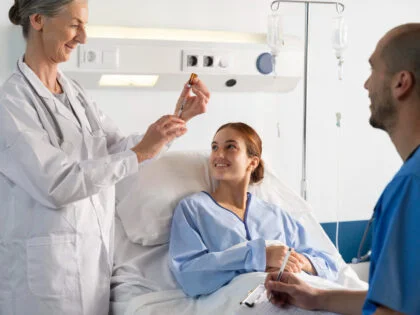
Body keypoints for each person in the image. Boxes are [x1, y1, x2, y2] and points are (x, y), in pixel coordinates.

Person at [0, 1, 210, 314]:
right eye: (74, 25)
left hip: (90, 269)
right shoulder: (11, 103)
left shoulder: (75, 93)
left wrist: (176, 120)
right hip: (44, 283)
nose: (83, 37)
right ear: (39, 20)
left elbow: (117, 150)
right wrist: (140, 152)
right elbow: (57, 183)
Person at [265, 23, 420, 315]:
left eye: (373, 70)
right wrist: (317, 297)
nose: (366, 85)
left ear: (401, 83)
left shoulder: (411, 186)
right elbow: (397, 301)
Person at [168, 122, 339, 297]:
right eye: (214, 147)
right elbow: (188, 275)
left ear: (252, 162)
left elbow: (330, 266)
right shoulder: (193, 209)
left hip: (297, 295)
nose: (219, 154)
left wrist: (299, 262)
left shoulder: (276, 215)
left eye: (230, 147)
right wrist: (259, 256)